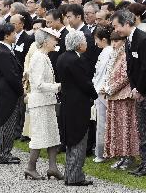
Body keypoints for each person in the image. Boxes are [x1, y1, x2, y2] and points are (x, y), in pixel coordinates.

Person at [112, 10, 146, 177]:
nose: (116, 30)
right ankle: (144, 161)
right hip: (139, 91)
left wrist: (139, 89)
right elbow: (132, 67)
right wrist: (135, 88)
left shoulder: (143, 39)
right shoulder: (129, 40)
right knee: (142, 128)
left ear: (127, 24)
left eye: (117, 26)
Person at [57, 31, 98, 186]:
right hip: (78, 104)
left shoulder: (62, 57)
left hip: (67, 102)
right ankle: (75, 177)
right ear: (79, 44)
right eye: (85, 42)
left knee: (70, 141)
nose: (87, 45)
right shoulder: (76, 60)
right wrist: (95, 95)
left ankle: (70, 174)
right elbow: (84, 82)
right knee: (79, 139)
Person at [25, 27, 63, 180]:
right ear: (46, 41)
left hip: (47, 103)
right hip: (40, 103)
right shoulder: (39, 57)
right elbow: (38, 84)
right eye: (54, 39)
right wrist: (58, 86)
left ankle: (53, 168)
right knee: (40, 136)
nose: (56, 42)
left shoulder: (44, 56)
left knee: (53, 136)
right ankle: (30, 167)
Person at [103, 31, 139, 170]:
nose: (113, 44)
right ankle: (121, 156)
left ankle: (129, 157)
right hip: (113, 95)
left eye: (117, 41)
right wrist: (106, 87)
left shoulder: (125, 55)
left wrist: (110, 88)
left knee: (126, 127)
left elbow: (125, 77)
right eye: (112, 41)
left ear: (124, 41)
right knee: (117, 128)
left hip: (124, 95)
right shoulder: (114, 55)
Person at [0, 23, 23, 164]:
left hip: (7, 91)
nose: (15, 35)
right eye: (13, 33)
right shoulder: (3, 52)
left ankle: (6, 152)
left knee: (8, 122)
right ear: (6, 36)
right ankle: (3, 154)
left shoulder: (4, 49)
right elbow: (10, 76)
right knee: (6, 123)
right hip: (7, 93)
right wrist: (21, 91)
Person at [92, 25, 114, 163]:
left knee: (103, 124)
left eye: (97, 40)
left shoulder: (108, 51)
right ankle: (103, 152)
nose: (95, 43)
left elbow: (104, 73)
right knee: (102, 123)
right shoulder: (106, 51)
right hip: (100, 89)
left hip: (103, 90)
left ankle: (103, 153)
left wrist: (99, 86)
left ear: (104, 39)